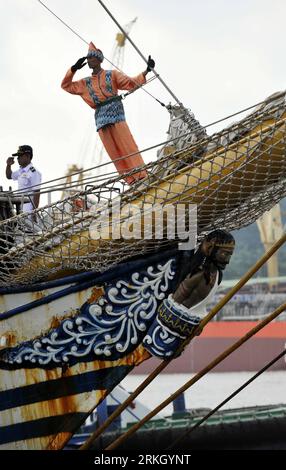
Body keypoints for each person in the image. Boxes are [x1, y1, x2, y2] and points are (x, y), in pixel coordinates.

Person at [61, 42, 155, 185]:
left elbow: (131, 83)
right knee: (114, 152)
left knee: (127, 145)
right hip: (100, 118)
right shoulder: (84, 83)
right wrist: (73, 69)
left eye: (91, 58)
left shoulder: (112, 75)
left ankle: (141, 175)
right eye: (88, 58)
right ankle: (131, 180)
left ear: (99, 59)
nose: (89, 61)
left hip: (116, 113)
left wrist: (146, 71)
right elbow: (66, 86)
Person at [143, 230, 235, 358]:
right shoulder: (199, 274)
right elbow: (176, 301)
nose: (227, 261)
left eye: (229, 255)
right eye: (224, 254)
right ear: (210, 248)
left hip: (182, 330)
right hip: (168, 329)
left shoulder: (215, 275)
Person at [6, 145, 42, 216]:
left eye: (20, 156)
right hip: (20, 209)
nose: (18, 158)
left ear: (28, 156)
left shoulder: (34, 172)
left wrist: (34, 212)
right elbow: (9, 176)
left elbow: (37, 192)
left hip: (29, 211)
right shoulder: (21, 170)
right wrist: (8, 165)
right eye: (18, 156)